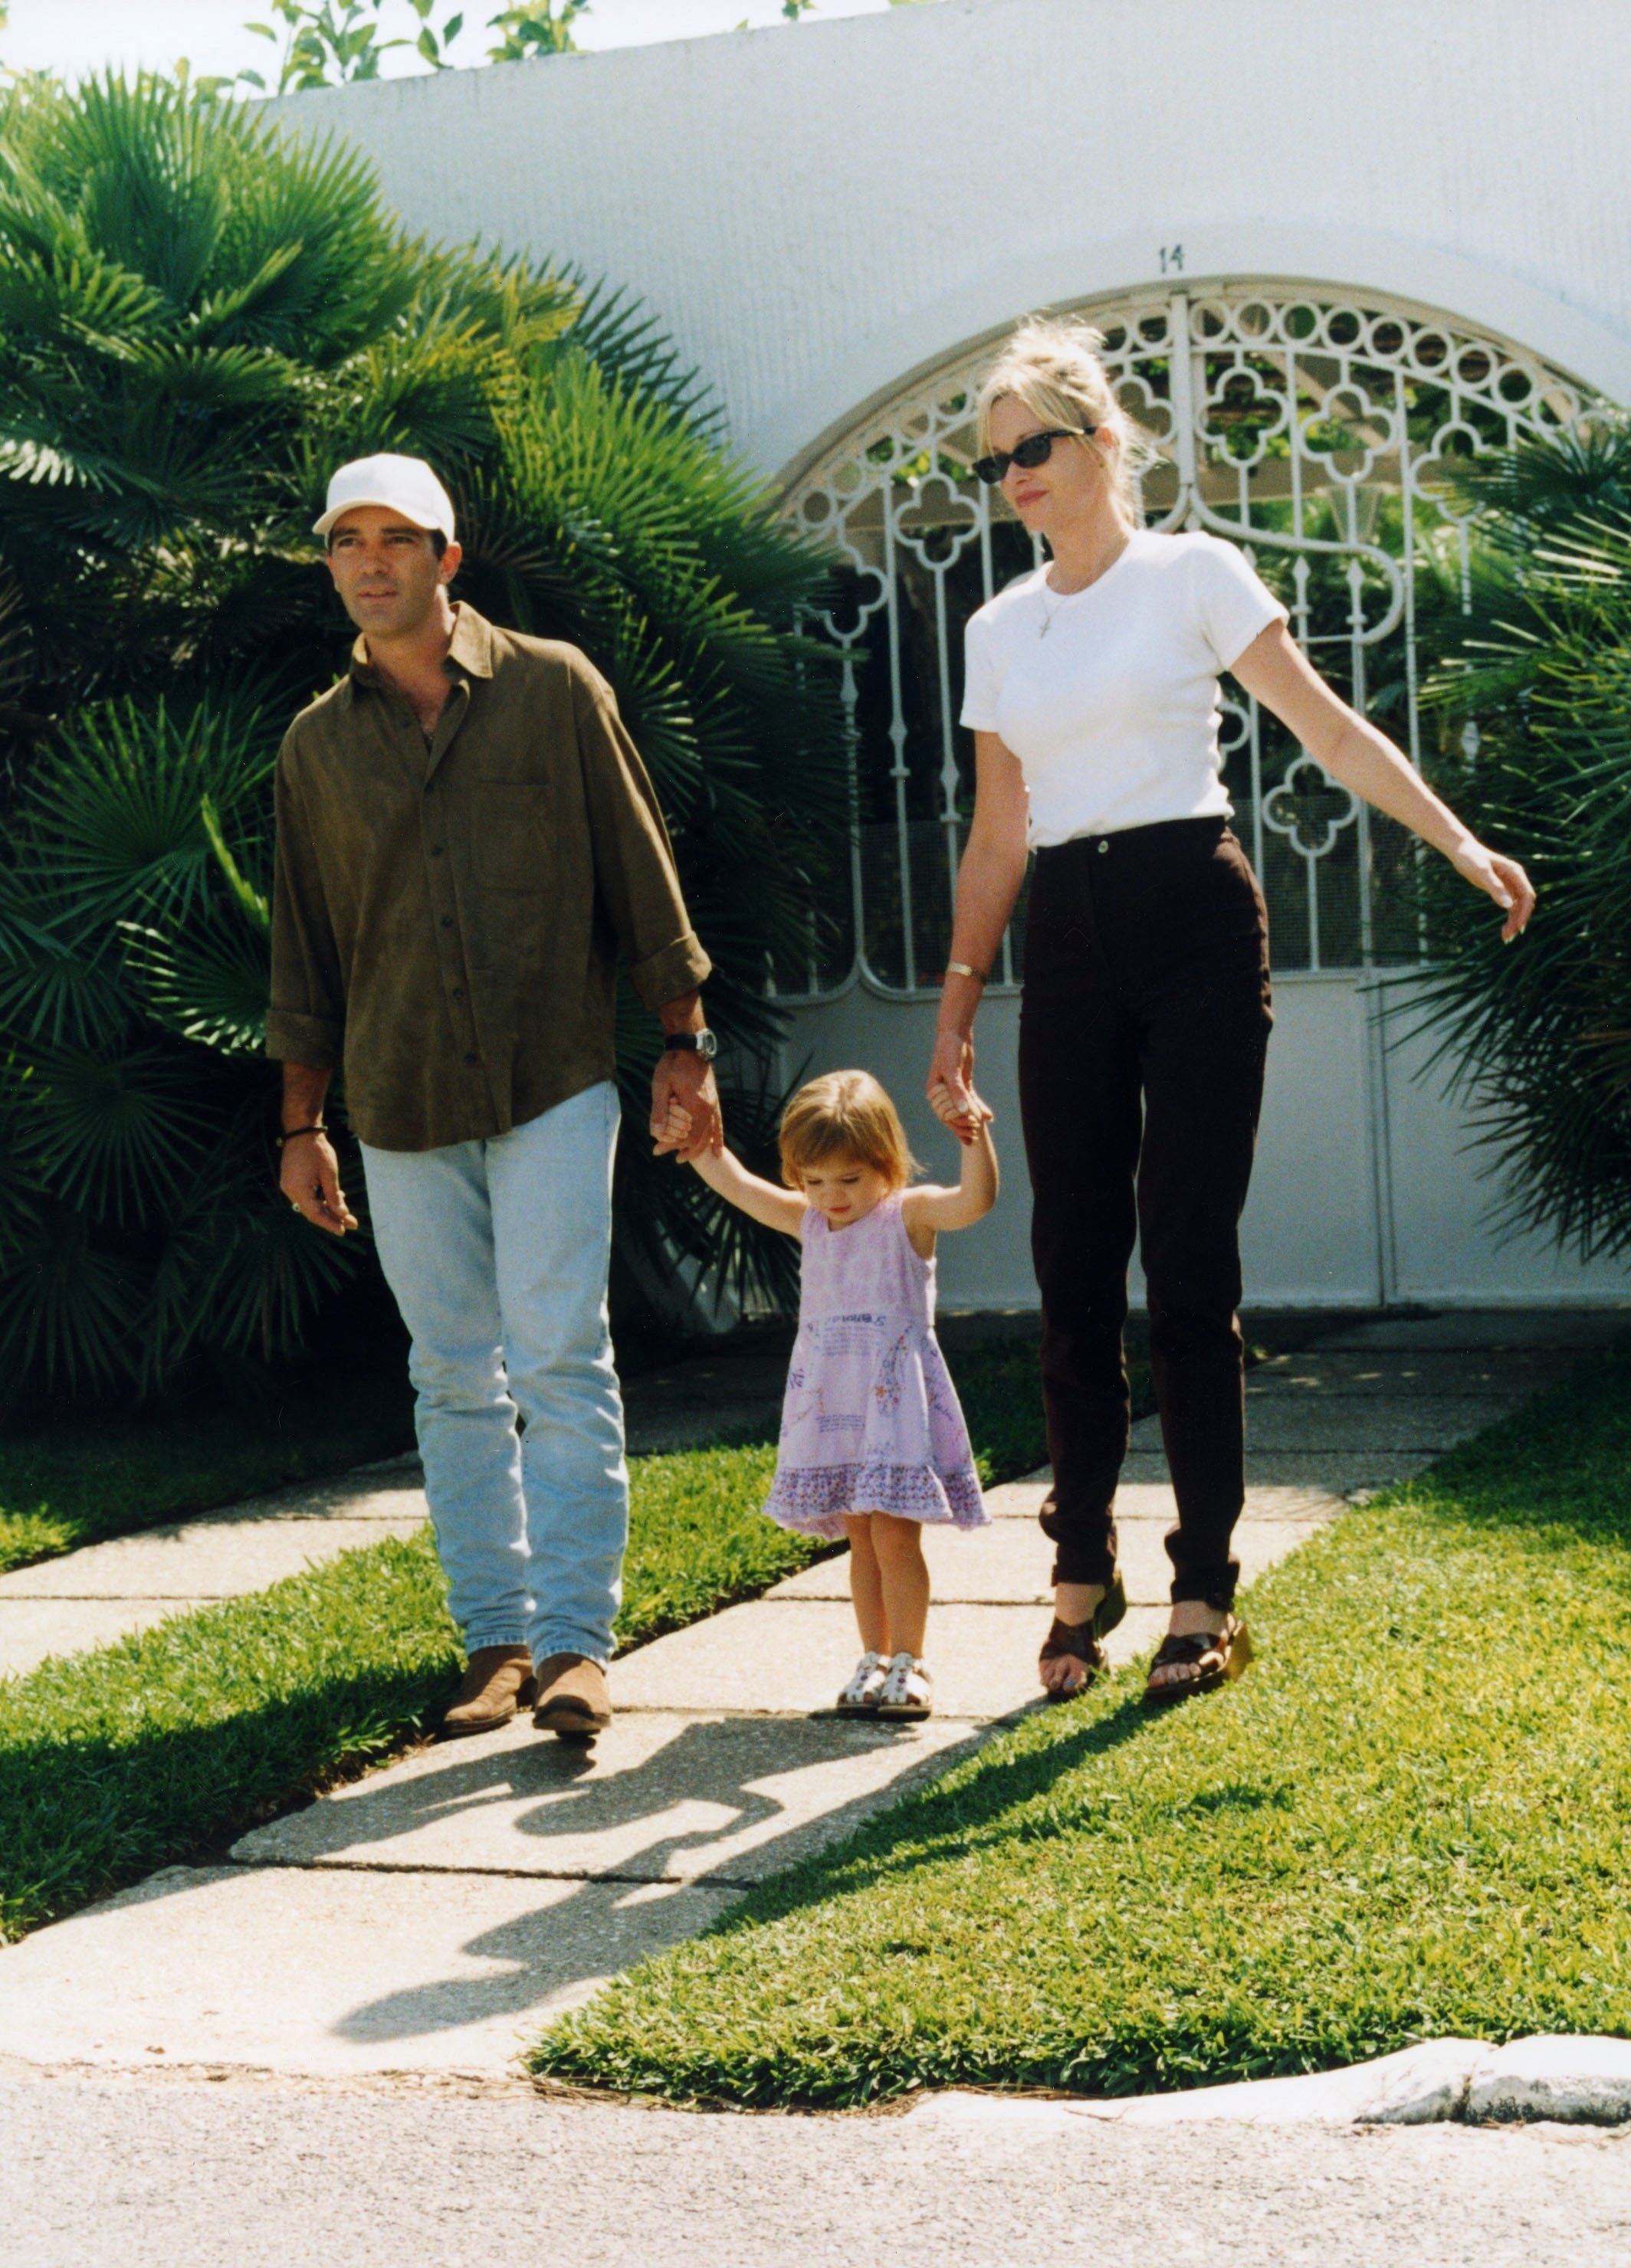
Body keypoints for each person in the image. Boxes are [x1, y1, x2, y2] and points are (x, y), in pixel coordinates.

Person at [927, 316, 1535, 1709]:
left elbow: (1321, 727)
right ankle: (1078, 1569)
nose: (1014, 474)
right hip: (1066, 945)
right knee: (1071, 1266)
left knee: (1186, 1259)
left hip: (1193, 915)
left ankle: (1202, 1584)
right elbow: (995, 834)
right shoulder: (997, 628)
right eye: (992, 461)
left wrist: (1453, 842)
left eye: (1034, 446)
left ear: (1102, 442)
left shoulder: (1190, 574)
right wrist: (956, 1002)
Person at [269, 452, 722, 1745]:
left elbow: (642, 873)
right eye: (346, 540)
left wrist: (685, 1040)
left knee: (560, 1351)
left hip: (551, 1077)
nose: (369, 561)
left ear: (445, 559)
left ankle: (578, 1641)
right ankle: (496, 1641)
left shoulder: (552, 689)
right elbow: (303, 952)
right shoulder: (314, 748)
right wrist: (300, 1126)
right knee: (452, 1375)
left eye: (395, 539)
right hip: (398, 1099)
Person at [665, 1070, 996, 1719]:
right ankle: (872, 1657)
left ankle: (911, 1660)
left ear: (886, 1163)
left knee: (896, 1538)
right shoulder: (809, 1221)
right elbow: (735, 1181)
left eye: (849, 1179)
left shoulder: (909, 1213)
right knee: (862, 1539)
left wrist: (973, 1137)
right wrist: (694, 1140)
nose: (830, 1196)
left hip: (892, 1405)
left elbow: (975, 1201)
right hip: (833, 1407)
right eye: (813, 1181)